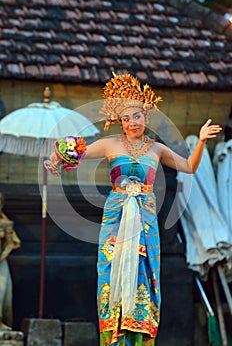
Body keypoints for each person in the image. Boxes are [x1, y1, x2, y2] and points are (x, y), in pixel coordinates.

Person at [45, 73, 222, 345]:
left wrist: (200, 141)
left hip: (145, 220)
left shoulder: (157, 149)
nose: (131, 123)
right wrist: (55, 159)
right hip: (116, 216)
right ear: (119, 121)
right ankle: (113, 338)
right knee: (111, 268)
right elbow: (74, 153)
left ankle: (139, 337)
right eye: (126, 118)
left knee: (145, 272)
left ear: (146, 117)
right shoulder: (110, 144)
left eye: (136, 116)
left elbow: (190, 167)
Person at [0, 193, 21, 330]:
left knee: (1, 291)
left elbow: (10, 244)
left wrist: (1, 258)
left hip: (1, 261)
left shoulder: (5, 223)